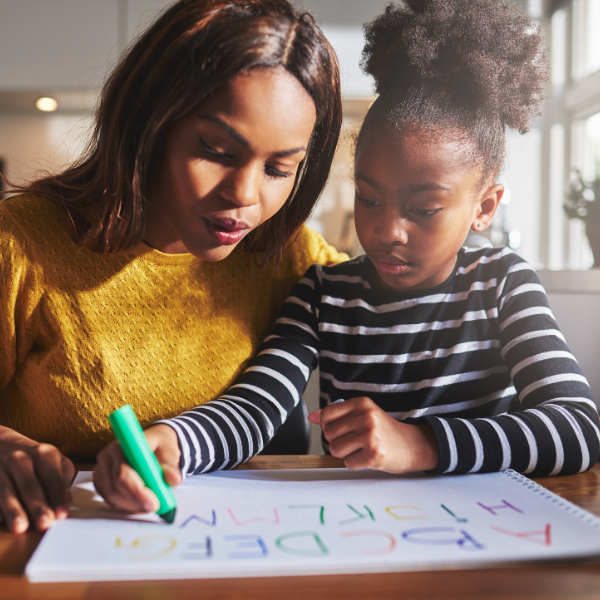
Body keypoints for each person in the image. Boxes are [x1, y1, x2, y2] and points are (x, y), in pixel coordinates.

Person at [96, 0, 600, 514]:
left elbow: (577, 429)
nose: (386, 231)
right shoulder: (323, 293)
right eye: (369, 198)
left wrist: (420, 445)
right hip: (360, 533)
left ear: (484, 207)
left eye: (424, 209)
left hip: (485, 531)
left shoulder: (502, 283)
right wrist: (176, 441)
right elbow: (256, 407)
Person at [0, 0, 345, 534]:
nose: (244, 197)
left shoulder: (287, 253)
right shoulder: (20, 244)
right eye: (215, 150)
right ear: (149, 125)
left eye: (280, 168)